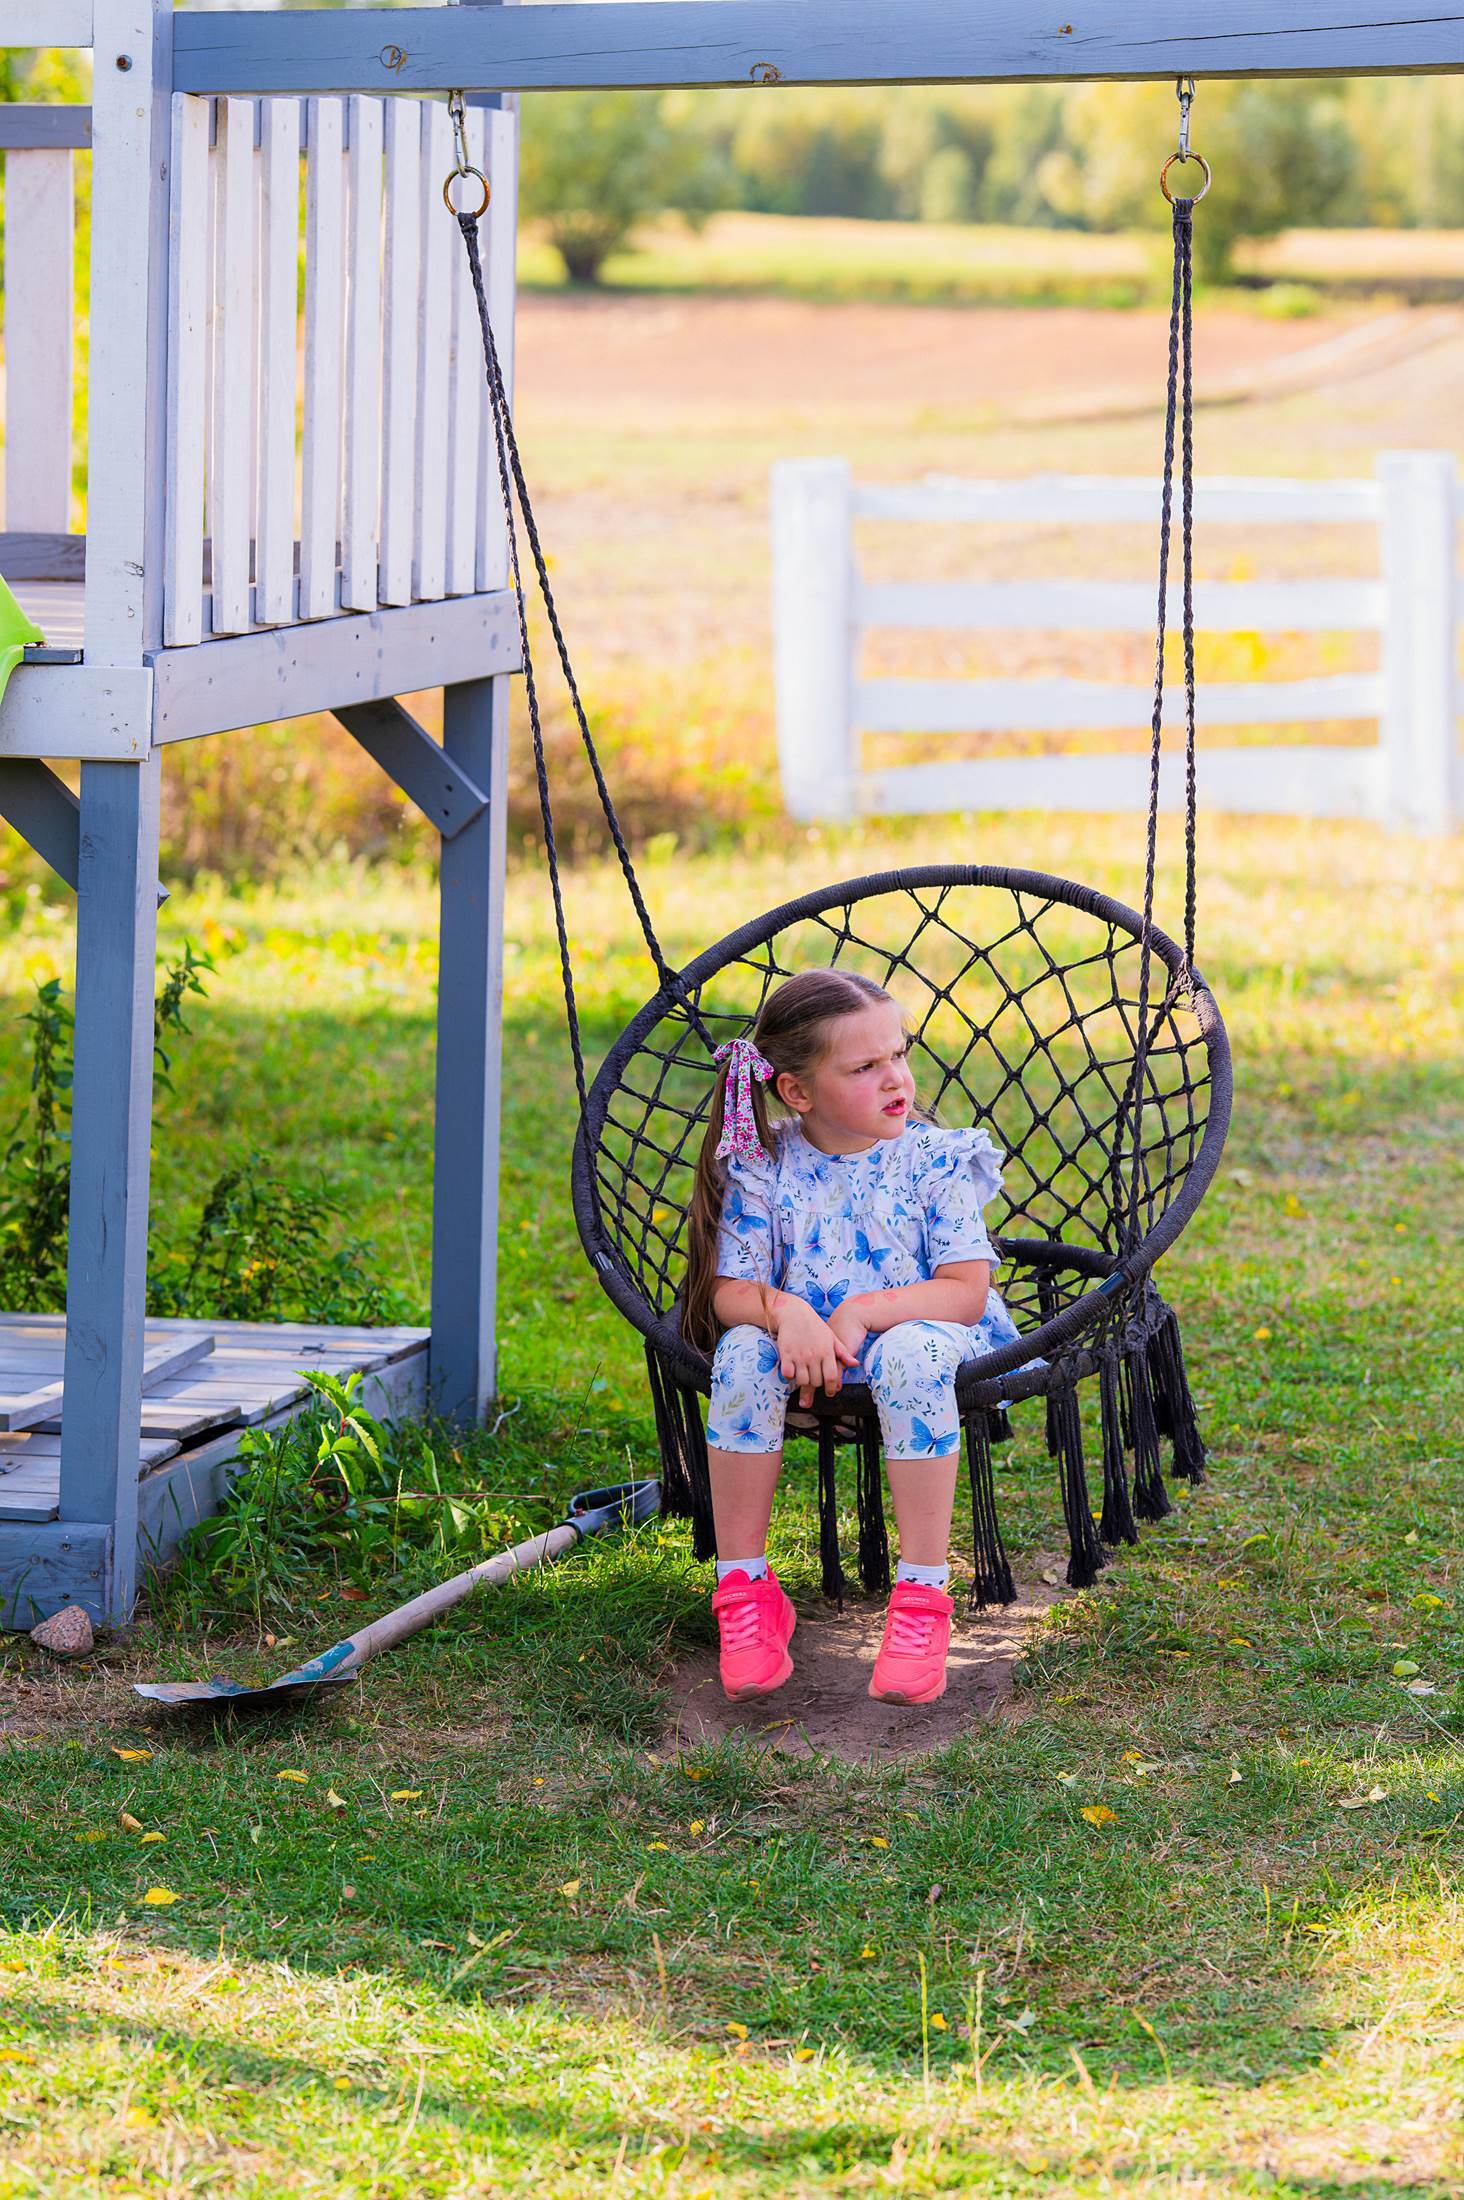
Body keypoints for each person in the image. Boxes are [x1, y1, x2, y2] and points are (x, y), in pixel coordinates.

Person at [681, 968, 1032, 1708]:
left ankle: (922, 1598)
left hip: (930, 1340)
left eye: (898, 1054)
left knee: (908, 1354)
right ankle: (745, 1591)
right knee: (741, 1353)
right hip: (810, 1350)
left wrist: (866, 1310)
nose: (896, 1078)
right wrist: (788, 1313)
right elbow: (728, 1292)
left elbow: (965, 1293)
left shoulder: (935, 1159)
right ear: (797, 1092)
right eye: (865, 1066)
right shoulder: (762, 1164)